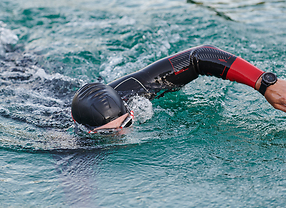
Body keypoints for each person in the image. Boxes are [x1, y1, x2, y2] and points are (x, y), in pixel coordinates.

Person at [71, 45, 286, 134]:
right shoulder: (72, 143)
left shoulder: (134, 91)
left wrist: (265, 83)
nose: (122, 134)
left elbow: (199, 56)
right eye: (109, 134)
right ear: (88, 133)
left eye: (127, 123)